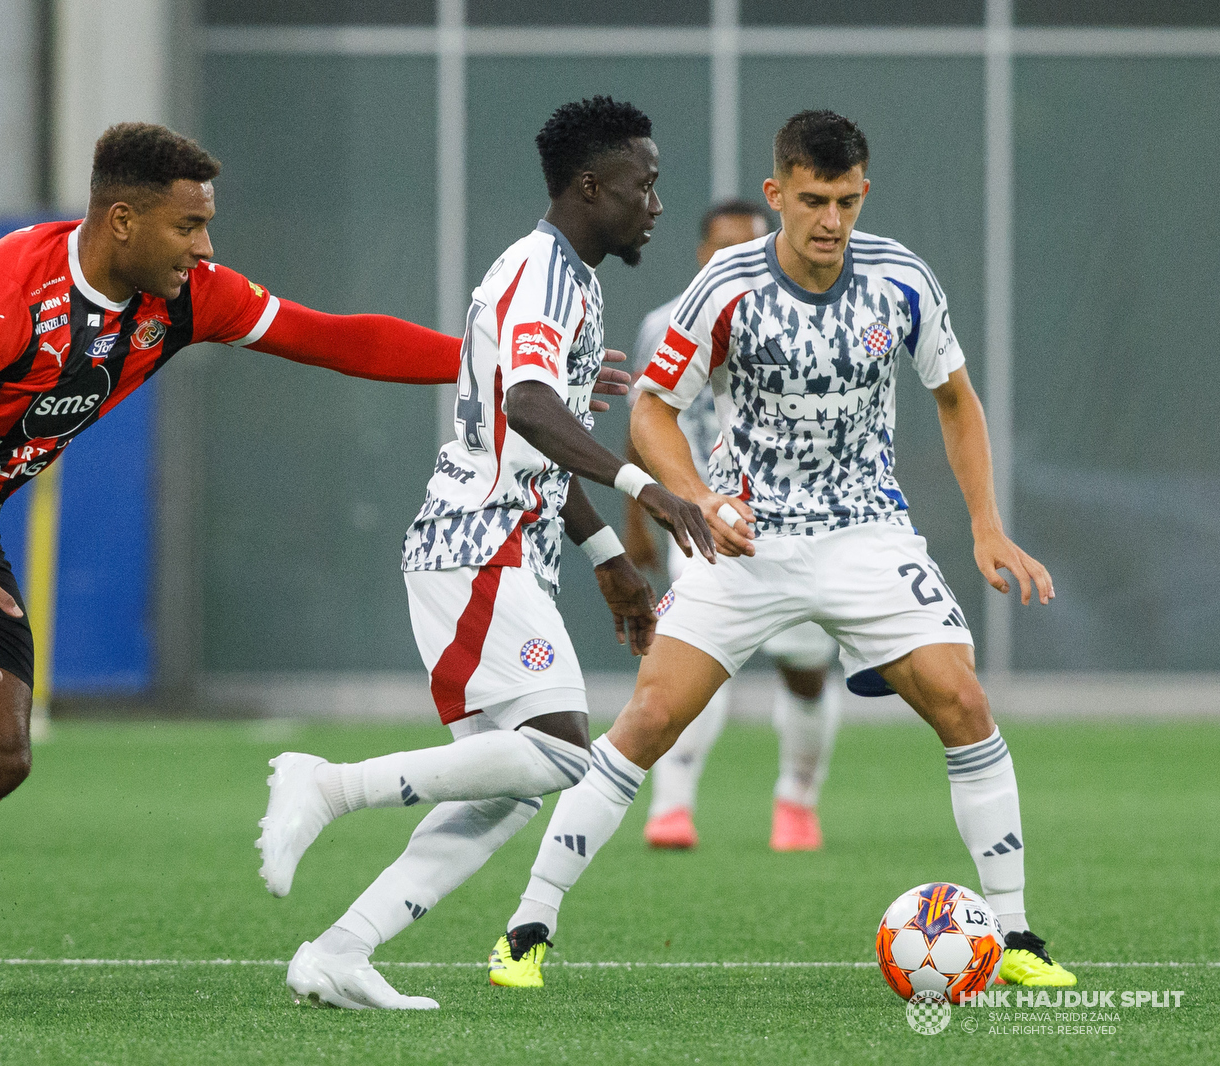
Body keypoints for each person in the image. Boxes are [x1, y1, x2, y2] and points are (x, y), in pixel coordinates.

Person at [0, 122, 615, 1002]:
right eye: (189, 226)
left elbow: (333, 338)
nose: (207, 246)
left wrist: (502, 366)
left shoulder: (188, 299)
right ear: (124, 221)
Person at [487, 110, 1076, 990]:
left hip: (868, 534)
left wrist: (988, 525)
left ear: (862, 192)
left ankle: (1020, 938)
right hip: (745, 539)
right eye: (811, 200)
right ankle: (527, 931)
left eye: (845, 200)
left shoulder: (902, 278)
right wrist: (697, 496)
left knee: (963, 702)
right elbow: (652, 408)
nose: (830, 220)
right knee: (648, 720)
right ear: (777, 195)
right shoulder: (727, 284)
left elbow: (956, 398)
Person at [254, 97, 712, 1011]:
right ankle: (329, 784)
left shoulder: (573, 279)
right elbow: (530, 409)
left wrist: (603, 560)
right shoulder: (541, 273)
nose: (657, 202)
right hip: (477, 547)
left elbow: (544, 436)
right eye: (643, 184)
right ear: (592, 186)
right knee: (560, 755)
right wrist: (643, 490)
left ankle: (342, 950)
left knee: (508, 788)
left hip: (511, 548)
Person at [623, 200, 841, 853]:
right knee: (693, 657)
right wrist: (638, 518)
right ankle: (672, 806)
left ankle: (796, 801)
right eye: (723, 249)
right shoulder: (664, 324)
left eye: (750, 246)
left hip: (798, 524)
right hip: (702, 518)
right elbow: (643, 426)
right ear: (700, 255)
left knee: (804, 668)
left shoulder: (807, 320)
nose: (736, 260)